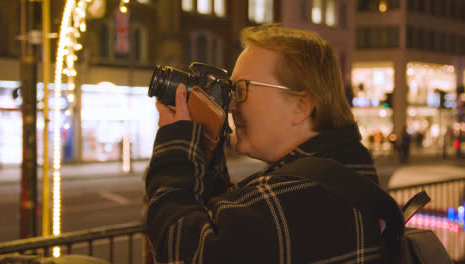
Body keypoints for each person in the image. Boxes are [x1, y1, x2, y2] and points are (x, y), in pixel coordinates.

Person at [145, 24, 382, 263]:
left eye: (241, 90)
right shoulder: (340, 172)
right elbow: (229, 225)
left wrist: (175, 150)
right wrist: (205, 149)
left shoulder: (296, 198)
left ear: (300, 106)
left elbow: (182, 250)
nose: (232, 106)